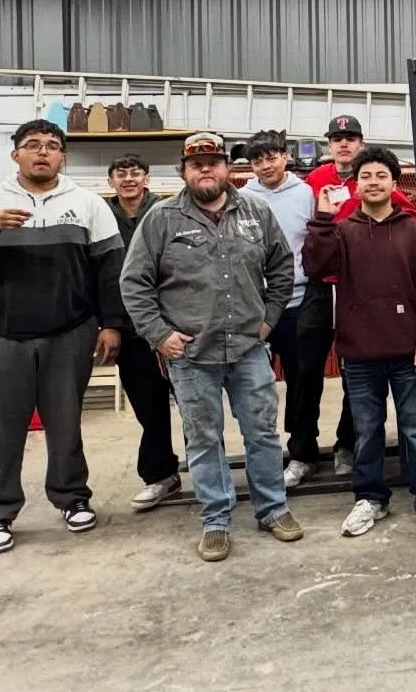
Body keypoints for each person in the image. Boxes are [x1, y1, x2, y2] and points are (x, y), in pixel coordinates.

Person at [0, 119, 125, 555]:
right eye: (33, 145)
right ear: (15, 153)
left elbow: (110, 271)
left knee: (65, 426)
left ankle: (71, 498)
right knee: (2, 432)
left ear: (62, 157)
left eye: (53, 146)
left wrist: (110, 324)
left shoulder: (88, 204)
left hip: (68, 335)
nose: (43, 152)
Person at [120, 132, 304, 562]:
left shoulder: (256, 212)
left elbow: (281, 266)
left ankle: (272, 509)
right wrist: (158, 334)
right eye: (196, 163)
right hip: (190, 355)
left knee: (262, 433)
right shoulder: (161, 218)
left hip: (248, 348)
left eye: (214, 162)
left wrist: (269, 320)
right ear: (184, 171)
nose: (206, 169)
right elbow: (134, 283)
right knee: (203, 438)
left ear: (227, 168)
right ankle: (216, 520)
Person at [302, 147, 416, 538]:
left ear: (392, 183)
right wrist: (321, 219)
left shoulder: (413, 231)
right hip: (360, 355)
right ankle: (370, 499)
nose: (372, 182)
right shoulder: (343, 230)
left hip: (409, 353)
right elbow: (316, 268)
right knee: (367, 431)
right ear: (357, 184)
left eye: (380, 176)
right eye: (365, 176)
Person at [290, 114, 416, 486]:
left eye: (350, 137)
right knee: (305, 372)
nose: (343, 144)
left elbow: (406, 218)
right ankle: (302, 452)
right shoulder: (314, 181)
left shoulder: (375, 181)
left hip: (358, 290)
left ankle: (347, 445)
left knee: (354, 372)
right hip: (319, 287)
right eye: (337, 138)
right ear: (329, 144)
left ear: (361, 143)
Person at [239, 130, 318, 482]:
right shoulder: (240, 198)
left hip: (299, 303)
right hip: (255, 306)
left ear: (284, 157)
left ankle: (302, 453)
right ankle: (264, 454)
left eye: (271, 157)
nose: (265, 166)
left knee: (303, 382)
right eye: (257, 161)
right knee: (254, 385)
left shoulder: (307, 194)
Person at [104, 153, 181, 511]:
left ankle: (210, 469)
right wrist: (109, 324)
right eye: (122, 174)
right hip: (132, 329)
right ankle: (160, 474)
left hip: (177, 324)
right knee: (149, 408)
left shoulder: (168, 210)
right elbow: (101, 277)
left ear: (147, 178)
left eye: (136, 173)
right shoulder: (101, 215)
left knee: (198, 407)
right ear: (111, 182)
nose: (129, 179)